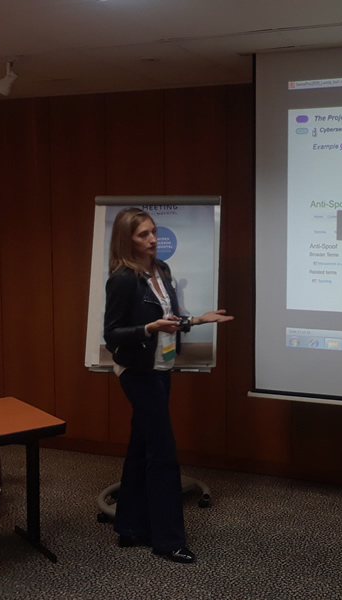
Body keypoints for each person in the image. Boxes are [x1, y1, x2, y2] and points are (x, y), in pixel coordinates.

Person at [103, 207, 233, 563]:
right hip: (138, 372)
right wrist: (148, 329)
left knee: (141, 446)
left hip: (162, 366)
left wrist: (198, 320)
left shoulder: (161, 270)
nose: (152, 239)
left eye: (154, 232)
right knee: (163, 454)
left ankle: (130, 526)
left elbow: (169, 319)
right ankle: (167, 540)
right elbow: (112, 333)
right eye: (143, 234)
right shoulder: (123, 279)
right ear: (127, 240)